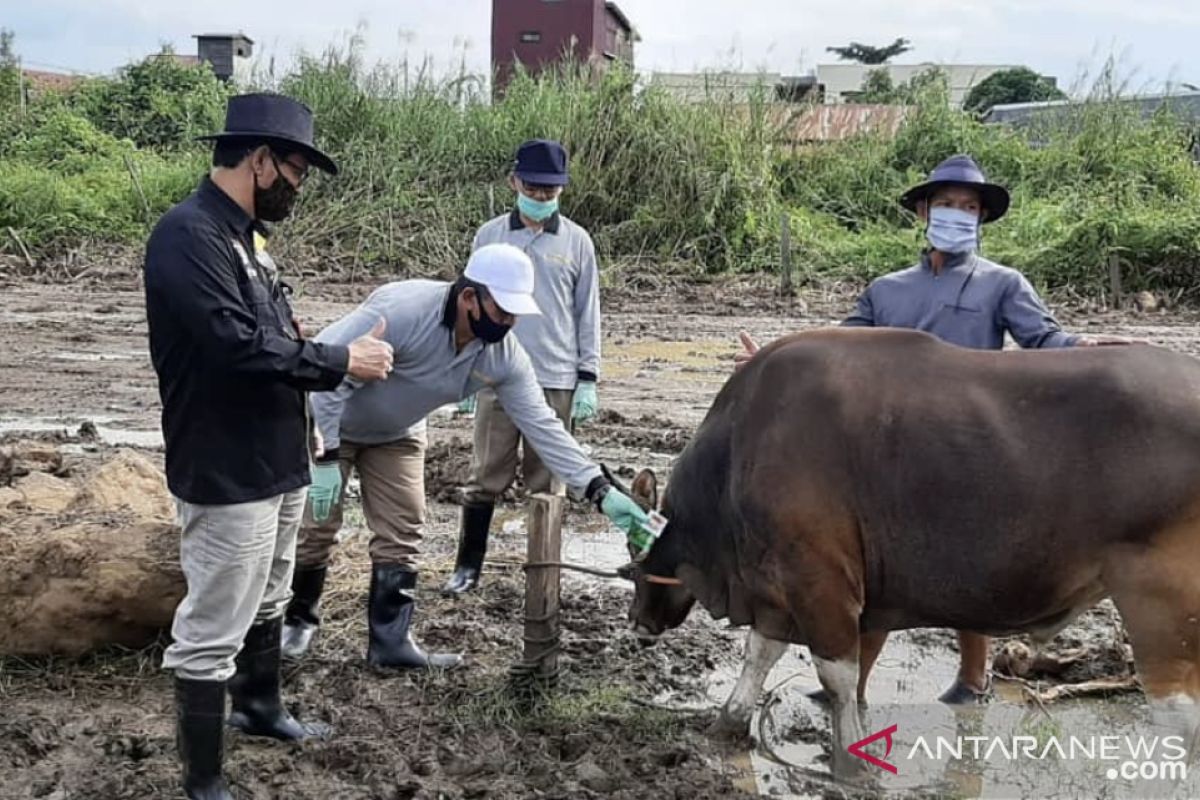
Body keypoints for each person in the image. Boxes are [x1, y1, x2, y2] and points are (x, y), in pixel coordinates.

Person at [735, 154, 1136, 705]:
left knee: (969, 566)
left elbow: (1044, 342)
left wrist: (1084, 347)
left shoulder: (1003, 285)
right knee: (874, 575)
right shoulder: (887, 290)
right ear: (924, 211)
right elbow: (834, 351)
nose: (956, 215)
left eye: (968, 208)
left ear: (980, 220)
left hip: (968, 448)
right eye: (947, 204)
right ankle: (850, 688)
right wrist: (773, 362)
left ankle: (973, 679)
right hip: (887, 450)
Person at [143, 93, 395, 800]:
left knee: (269, 595)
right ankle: (204, 780)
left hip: (277, 455)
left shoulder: (245, 243)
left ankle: (260, 708)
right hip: (226, 464)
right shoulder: (187, 236)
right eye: (296, 169)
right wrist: (341, 361)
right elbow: (236, 348)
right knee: (214, 620)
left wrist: (310, 412)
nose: (299, 186)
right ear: (259, 161)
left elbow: (278, 337)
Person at [280, 243, 648, 668]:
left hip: (396, 434)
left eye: (515, 314)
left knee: (404, 529)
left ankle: (391, 644)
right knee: (316, 525)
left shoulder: (503, 356)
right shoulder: (402, 311)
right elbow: (324, 368)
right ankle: (297, 620)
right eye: (502, 311)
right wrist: (325, 454)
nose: (509, 323)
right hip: (331, 421)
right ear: (470, 297)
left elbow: (543, 427)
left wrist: (600, 489)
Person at [444, 139, 601, 596]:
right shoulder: (490, 236)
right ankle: (467, 569)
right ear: (514, 182)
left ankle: (542, 571)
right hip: (493, 372)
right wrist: (463, 370)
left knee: (546, 482)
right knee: (484, 477)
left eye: (551, 191)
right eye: (533, 187)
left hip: (555, 377)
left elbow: (587, 312)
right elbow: (466, 303)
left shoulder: (577, 242)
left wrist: (587, 377)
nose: (542, 197)